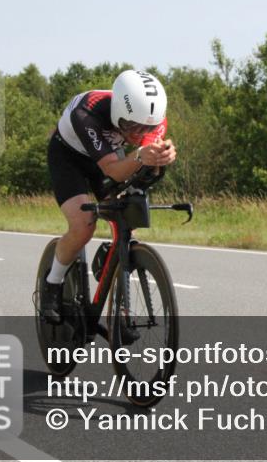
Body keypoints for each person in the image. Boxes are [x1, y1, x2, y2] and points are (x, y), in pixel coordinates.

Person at [41, 69, 177, 322]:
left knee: (127, 214)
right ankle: (53, 283)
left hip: (109, 155)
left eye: (145, 128)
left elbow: (146, 166)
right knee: (83, 226)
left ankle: (118, 269)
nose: (137, 134)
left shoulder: (153, 118)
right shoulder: (88, 112)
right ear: (117, 111)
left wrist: (162, 156)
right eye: (131, 126)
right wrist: (139, 155)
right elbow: (113, 170)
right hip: (69, 158)